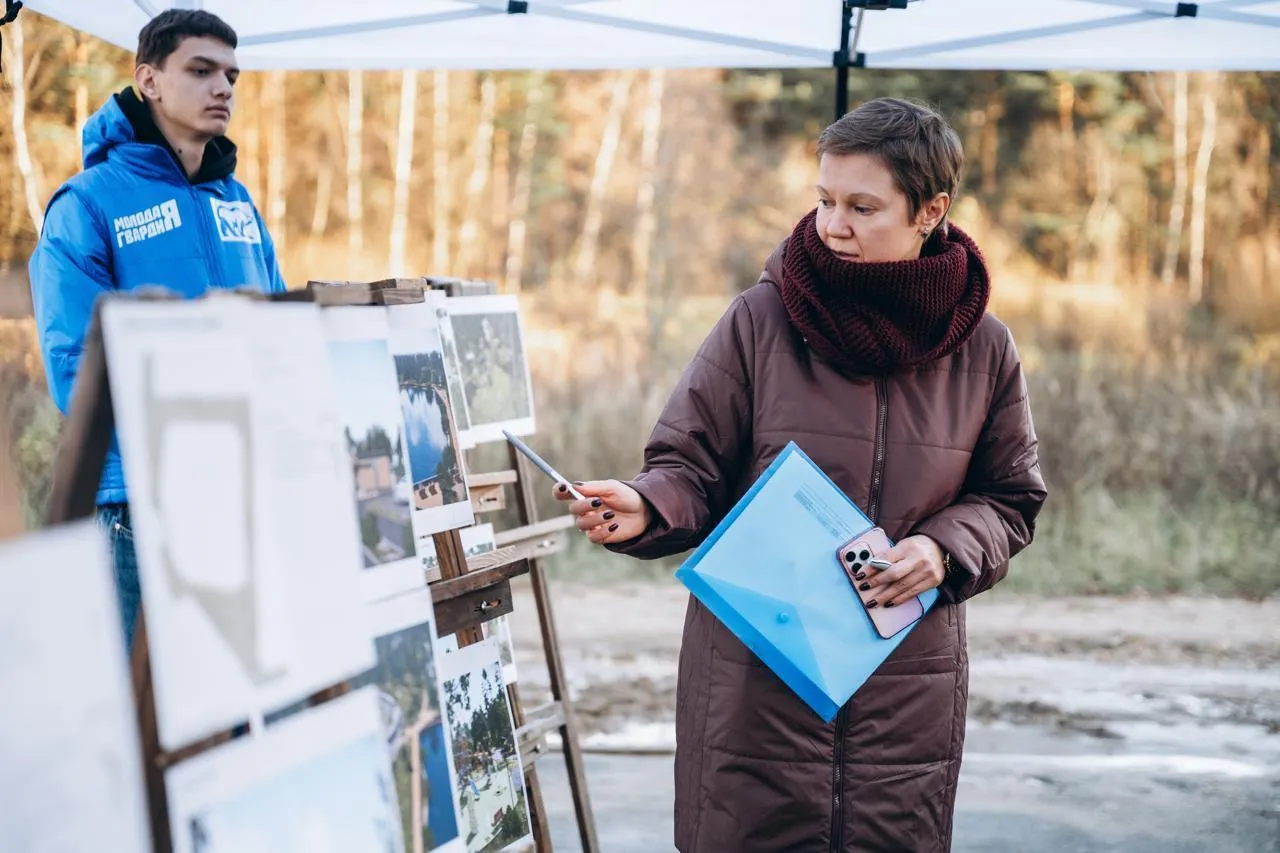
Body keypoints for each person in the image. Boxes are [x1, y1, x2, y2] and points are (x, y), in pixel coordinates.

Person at [556, 97, 1047, 852]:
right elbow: (689, 466)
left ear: (930, 211)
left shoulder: (985, 348)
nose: (832, 225)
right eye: (823, 200)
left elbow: (1010, 498)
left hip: (904, 701)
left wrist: (942, 550)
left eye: (861, 206)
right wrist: (649, 505)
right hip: (755, 691)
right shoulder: (760, 320)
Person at [29, 10, 286, 647]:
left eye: (231, 74)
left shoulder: (238, 203)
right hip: (139, 505)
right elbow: (75, 372)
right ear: (148, 79)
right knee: (138, 718)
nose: (223, 87)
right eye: (200, 71)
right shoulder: (86, 203)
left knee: (231, 719)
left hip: (246, 495)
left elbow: (284, 343)